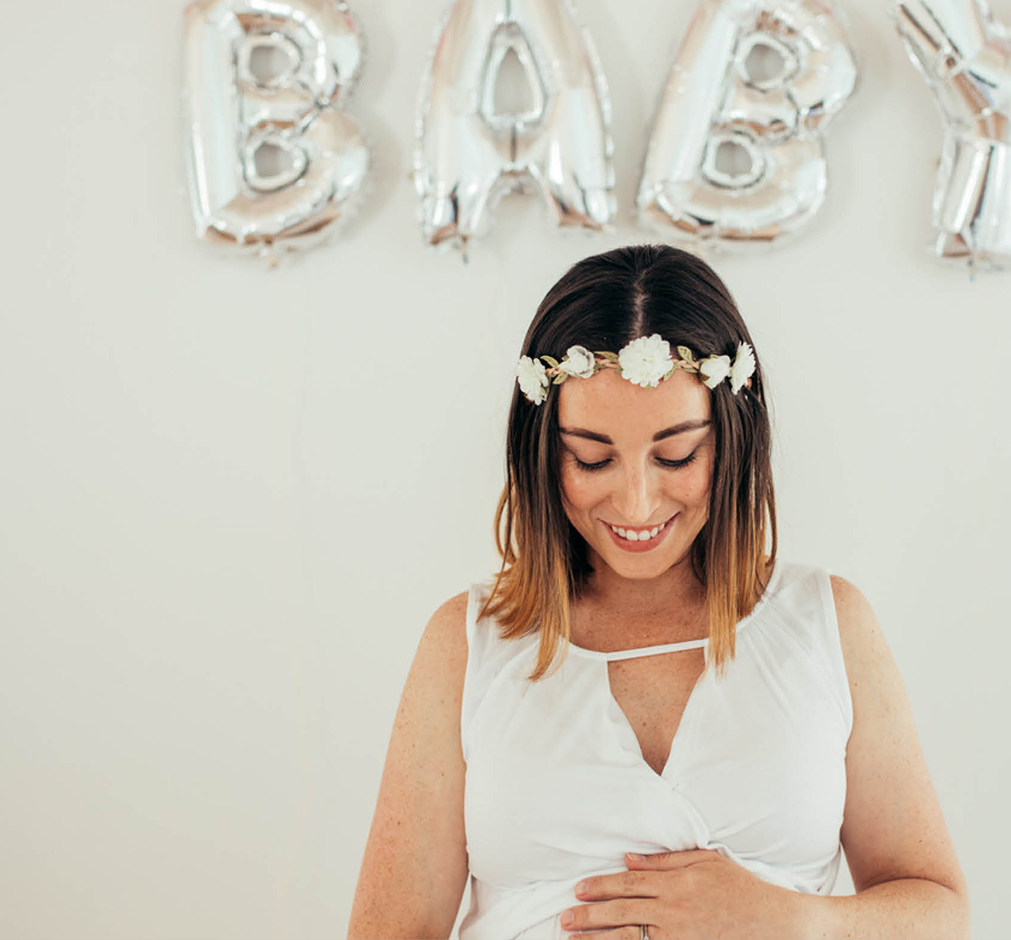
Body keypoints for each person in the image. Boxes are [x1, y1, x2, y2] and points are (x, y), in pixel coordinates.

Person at [348, 245, 968, 940]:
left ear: (731, 438)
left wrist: (787, 921)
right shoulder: (468, 646)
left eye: (676, 455)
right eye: (591, 457)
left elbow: (939, 913)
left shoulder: (827, 624)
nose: (637, 503)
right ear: (542, 449)